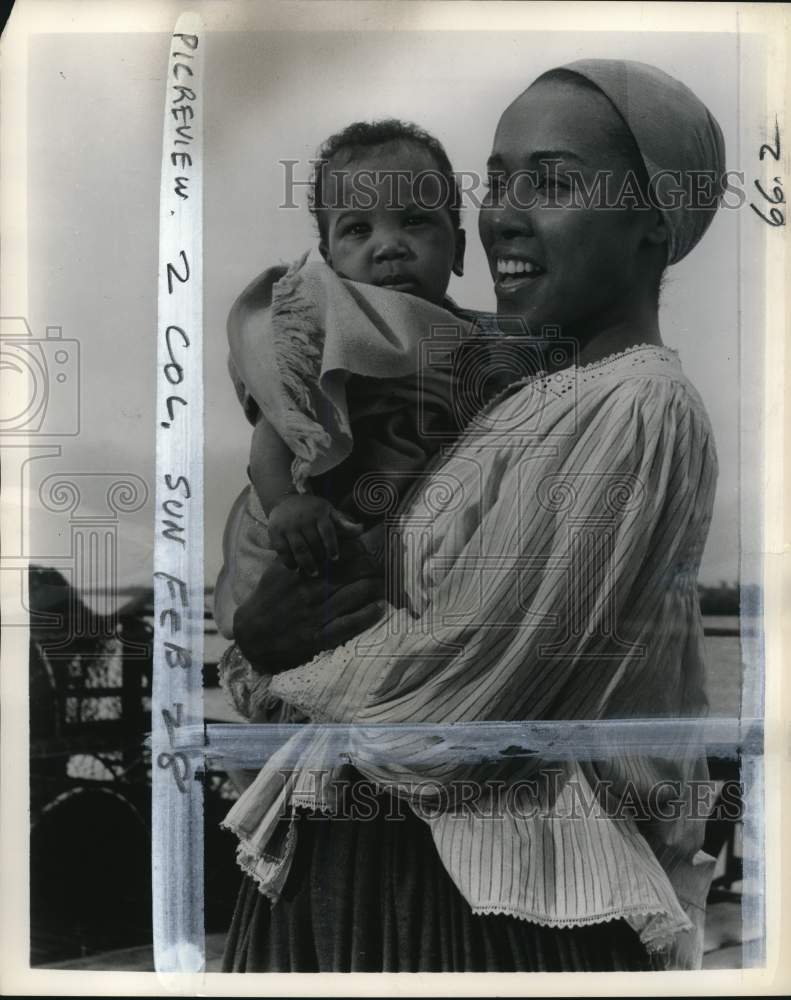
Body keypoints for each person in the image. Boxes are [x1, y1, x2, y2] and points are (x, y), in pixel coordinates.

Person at [218, 58, 725, 972]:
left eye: (554, 182)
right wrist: (271, 637)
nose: (505, 215)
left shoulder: (635, 406)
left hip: (476, 912)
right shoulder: (506, 397)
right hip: (343, 883)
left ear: (657, 220)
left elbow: (458, 715)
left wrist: (269, 659)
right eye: (497, 182)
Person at [214, 119, 481, 642]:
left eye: (415, 221)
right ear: (331, 257)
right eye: (359, 229)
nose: (389, 246)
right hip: (314, 515)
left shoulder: (465, 336)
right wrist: (284, 503)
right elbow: (279, 423)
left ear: (460, 249)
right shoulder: (333, 323)